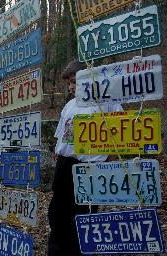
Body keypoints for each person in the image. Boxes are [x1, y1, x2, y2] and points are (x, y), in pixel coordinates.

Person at [47, 59, 123, 256]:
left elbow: (121, 136)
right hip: (64, 167)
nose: (71, 87)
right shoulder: (70, 106)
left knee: (82, 218)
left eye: (75, 81)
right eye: (69, 83)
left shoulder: (108, 102)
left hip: (90, 169)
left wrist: (106, 164)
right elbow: (61, 141)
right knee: (57, 215)